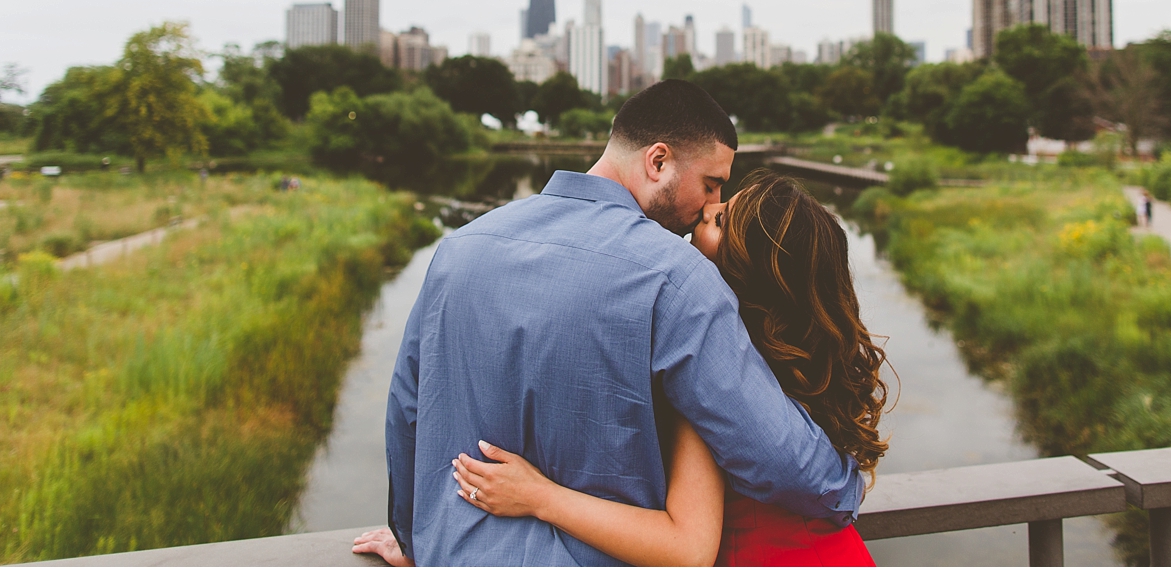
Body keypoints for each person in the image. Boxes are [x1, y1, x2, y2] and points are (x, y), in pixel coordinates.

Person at [357, 81, 864, 566]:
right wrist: (845, 485)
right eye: (710, 185)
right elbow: (773, 452)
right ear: (659, 161)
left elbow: (407, 411)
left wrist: (415, 536)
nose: (706, 208)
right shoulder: (676, 277)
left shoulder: (458, 249)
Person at [445, 170, 889, 566]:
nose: (707, 208)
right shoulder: (797, 364)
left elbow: (685, 550)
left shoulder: (707, 379)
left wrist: (539, 496)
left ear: (746, 268)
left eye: (721, 220)